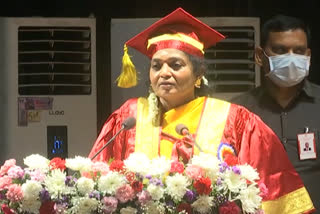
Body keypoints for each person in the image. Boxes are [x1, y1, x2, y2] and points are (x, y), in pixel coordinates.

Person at [89, 8, 314, 213]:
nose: (164, 73)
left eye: (176, 65)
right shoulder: (129, 117)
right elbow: (94, 184)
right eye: (156, 66)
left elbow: (273, 186)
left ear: (198, 75)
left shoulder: (233, 120)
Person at [231, 14, 320, 213]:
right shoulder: (237, 111)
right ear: (259, 56)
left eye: (298, 51)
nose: (291, 58)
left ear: (308, 56)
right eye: (280, 50)